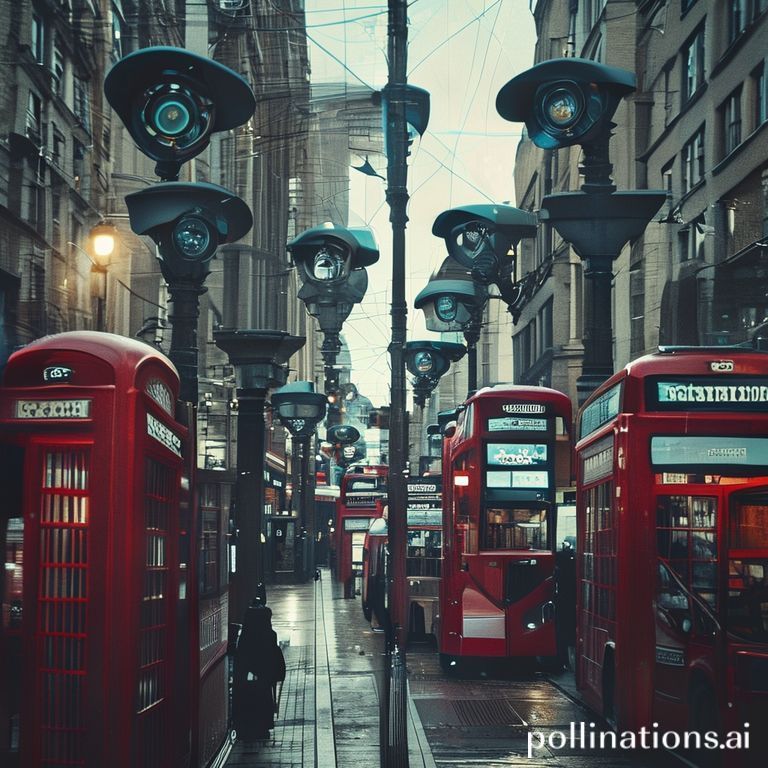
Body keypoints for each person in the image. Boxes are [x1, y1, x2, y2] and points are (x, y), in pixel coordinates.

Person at [232, 600, 286, 740]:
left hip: (249, 677)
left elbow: (242, 658)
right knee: (265, 699)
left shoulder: (246, 635)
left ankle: (247, 726)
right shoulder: (270, 634)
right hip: (265, 676)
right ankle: (264, 726)